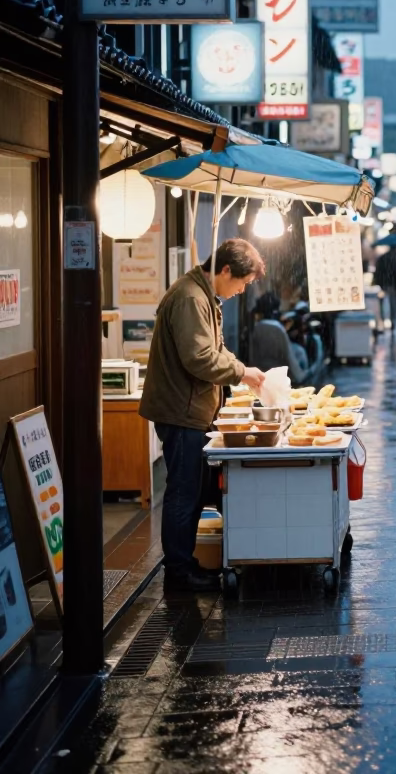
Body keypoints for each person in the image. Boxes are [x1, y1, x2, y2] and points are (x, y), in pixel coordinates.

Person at [140, 239, 266, 591]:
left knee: (193, 490)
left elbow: (215, 348)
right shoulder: (191, 298)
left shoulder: (203, 294)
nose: (242, 290)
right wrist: (242, 372)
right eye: (242, 283)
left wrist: (239, 370)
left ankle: (186, 565)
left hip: (192, 407)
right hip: (182, 411)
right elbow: (199, 358)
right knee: (184, 491)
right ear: (225, 270)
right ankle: (179, 574)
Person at [249, 291, 305, 385]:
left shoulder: (256, 328)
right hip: (279, 379)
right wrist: (301, 377)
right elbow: (289, 358)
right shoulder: (277, 329)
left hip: (261, 378)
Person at [371, 248, 396, 333]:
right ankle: (393, 321)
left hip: (385, 284)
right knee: (393, 304)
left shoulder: (383, 258)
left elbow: (378, 271)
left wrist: (379, 282)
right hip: (394, 285)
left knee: (383, 303)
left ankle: (384, 320)